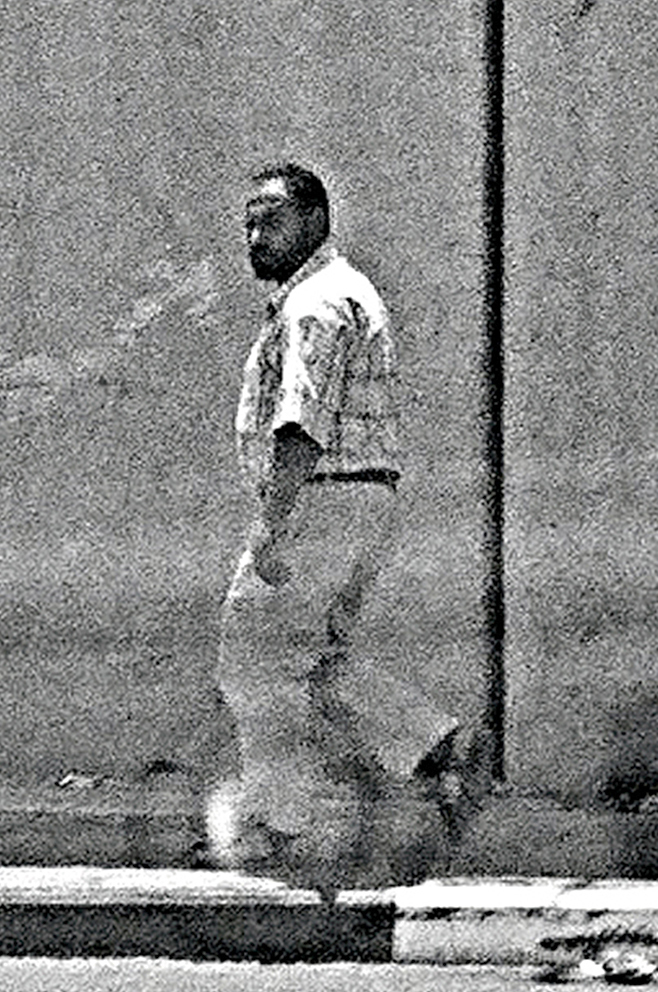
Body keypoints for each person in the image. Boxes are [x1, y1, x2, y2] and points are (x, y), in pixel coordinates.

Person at [206, 163, 468, 895]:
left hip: (321, 500)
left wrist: (271, 524)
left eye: (273, 220)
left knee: (251, 659)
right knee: (314, 660)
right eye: (249, 223)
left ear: (316, 221)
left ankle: (280, 826)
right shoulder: (329, 292)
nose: (256, 236)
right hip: (355, 501)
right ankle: (436, 746)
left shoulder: (316, 304)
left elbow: (302, 422)